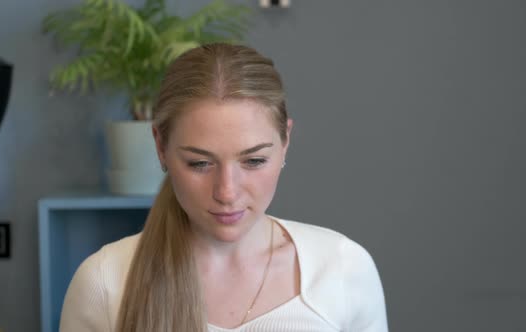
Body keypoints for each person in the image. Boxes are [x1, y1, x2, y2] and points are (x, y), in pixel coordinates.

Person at [59, 43, 388, 332]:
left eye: (254, 161)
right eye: (200, 163)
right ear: (161, 147)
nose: (227, 193)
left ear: (285, 141)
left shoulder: (343, 268)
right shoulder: (103, 282)